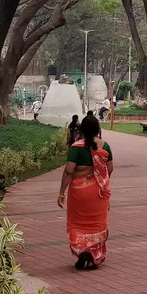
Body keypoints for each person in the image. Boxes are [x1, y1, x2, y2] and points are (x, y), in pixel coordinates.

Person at [58, 113, 112, 269]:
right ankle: (93, 255)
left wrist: (61, 192)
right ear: (97, 129)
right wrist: (99, 180)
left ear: (81, 130)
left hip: (78, 193)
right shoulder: (105, 146)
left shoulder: (76, 148)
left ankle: (82, 252)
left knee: (77, 223)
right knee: (97, 224)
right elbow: (109, 169)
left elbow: (69, 171)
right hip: (98, 194)